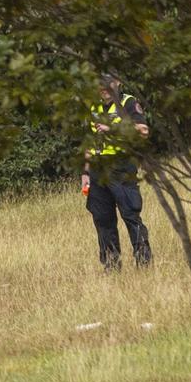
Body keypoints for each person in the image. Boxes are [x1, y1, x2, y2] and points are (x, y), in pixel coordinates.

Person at [82, 74, 152, 270]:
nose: (103, 88)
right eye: (100, 84)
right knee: (103, 220)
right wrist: (85, 174)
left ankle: (144, 263)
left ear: (118, 82)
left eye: (108, 83)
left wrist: (113, 128)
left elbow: (143, 131)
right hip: (97, 171)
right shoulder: (94, 108)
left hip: (121, 167)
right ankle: (112, 267)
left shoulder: (128, 103)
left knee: (130, 215)